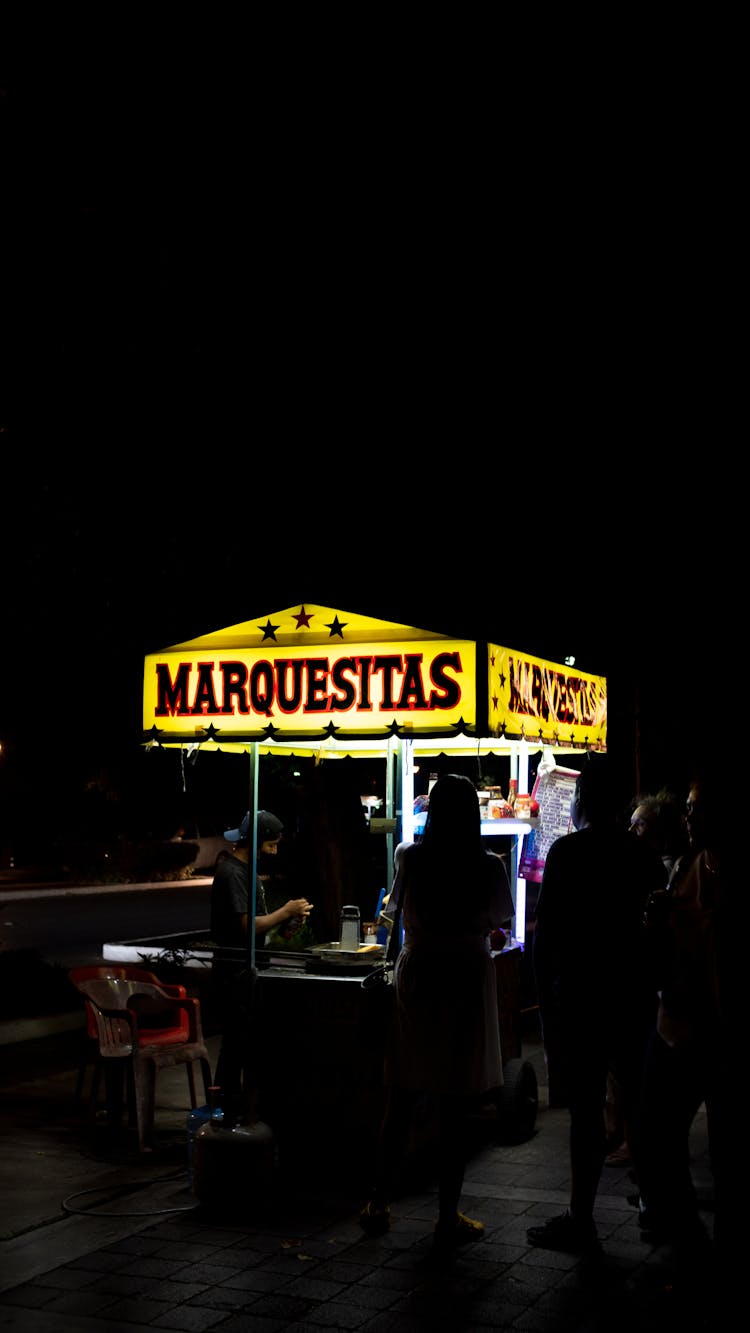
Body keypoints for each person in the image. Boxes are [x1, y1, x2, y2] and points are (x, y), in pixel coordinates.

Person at [359, 773, 514, 1251]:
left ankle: (379, 1203)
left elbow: (396, 908)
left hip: (420, 971)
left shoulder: (411, 855)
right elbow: (500, 924)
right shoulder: (487, 866)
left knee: (402, 1093)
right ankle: (447, 1216)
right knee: (455, 1099)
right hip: (465, 974)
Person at [527, 752, 664, 1254]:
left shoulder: (569, 853)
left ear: (583, 801)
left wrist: (546, 1004)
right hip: (631, 998)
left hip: (582, 1000)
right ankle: (656, 1208)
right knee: (640, 1108)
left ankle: (582, 1217)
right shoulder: (642, 856)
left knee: (586, 1114)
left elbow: (547, 938)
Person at [633, 758, 736, 1273]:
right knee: (654, 1133)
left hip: (715, 1031)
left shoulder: (715, 871)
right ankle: (689, 1237)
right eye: (689, 809)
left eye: (697, 809)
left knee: (724, 1151)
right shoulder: (690, 867)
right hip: (675, 1025)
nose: (690, 817)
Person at [604, 787, 688, 1167]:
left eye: (641, 826)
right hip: (640, 980)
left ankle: (636, 1144)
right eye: (632, 824)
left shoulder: (672, 869)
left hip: (657, 985)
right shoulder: (645, 865)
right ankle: (623, 1136)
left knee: (636, 1068)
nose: (632, 831)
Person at [210, 808, 313, 1113]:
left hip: (252, 967)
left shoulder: (248, 871)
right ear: (255, 842)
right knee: (235, 1046)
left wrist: (289, 923)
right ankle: (225, 1109)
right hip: (234, 971)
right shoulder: (231, 873)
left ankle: (245, 1108)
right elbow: (245, 927)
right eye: (271, 845)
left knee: (249, 1044)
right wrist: (285, 911)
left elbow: (260, 923)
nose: (274, 851)